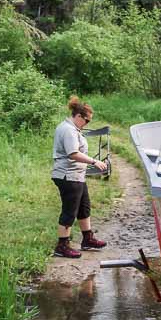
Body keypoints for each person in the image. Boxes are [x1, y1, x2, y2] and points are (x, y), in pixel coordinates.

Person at [51, 96, 108, 258]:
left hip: (77, 175)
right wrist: (94, 161)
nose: (87, 124)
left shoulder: (73, 128)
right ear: (78, 116)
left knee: (84, 207)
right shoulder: (68, 130)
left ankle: (87, 239)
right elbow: (73, 153)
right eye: (87, 121)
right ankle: (62, 245)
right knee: (70, 210)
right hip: (67, 176)